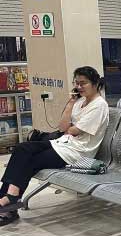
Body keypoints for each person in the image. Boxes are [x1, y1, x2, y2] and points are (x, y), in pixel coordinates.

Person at [0, 66, 109, 226]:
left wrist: (69, 128)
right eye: (77, 83)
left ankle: (9, 201)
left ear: (95, 83)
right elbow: (63, 126)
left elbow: (74, 130)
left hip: (77, 153)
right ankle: (10, 198)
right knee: (22, 149)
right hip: (63, 144)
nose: (79, 87)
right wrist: (71, 102)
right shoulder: (79, 102)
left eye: (83, 83)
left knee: (31, 161)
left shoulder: (99, 105)